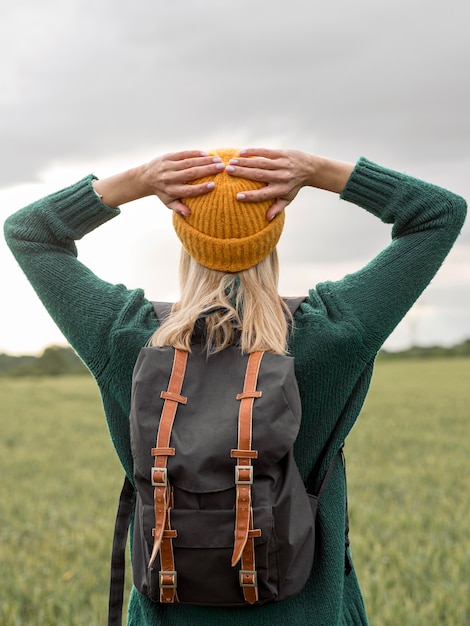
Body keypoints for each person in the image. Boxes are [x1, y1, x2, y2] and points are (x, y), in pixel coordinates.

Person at [4, 147, 466, 626]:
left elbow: (29, 232)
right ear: (273, 233)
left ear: (184, 238)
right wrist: (316, 172)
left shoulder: (125, 335)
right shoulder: (332, 331)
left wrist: (141, 180)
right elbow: (438, 213)